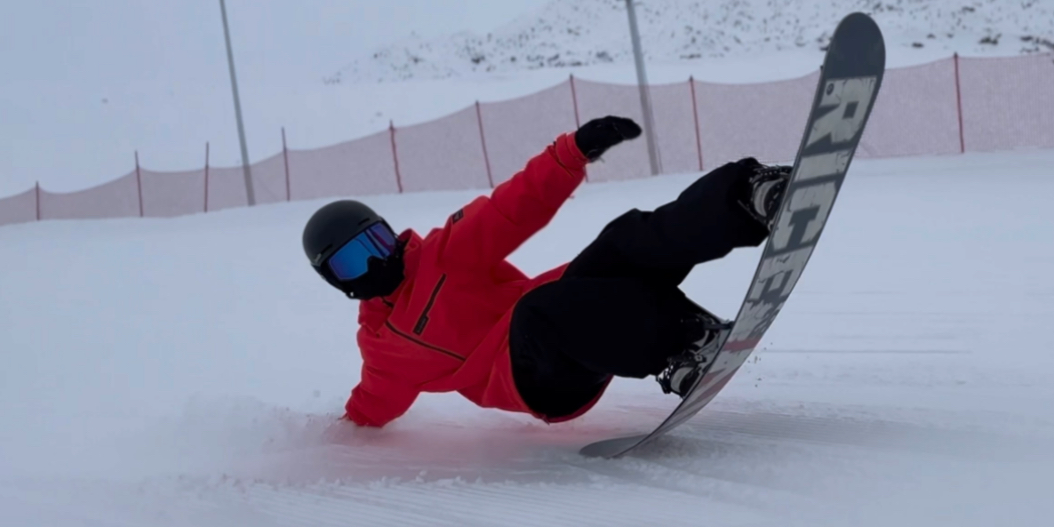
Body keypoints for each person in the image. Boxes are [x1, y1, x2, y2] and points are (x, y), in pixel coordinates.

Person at [301, 116, 791, 428]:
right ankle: (681, 346)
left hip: (572, 315)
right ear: (337, 281)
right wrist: (325, 438)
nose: (374, 262)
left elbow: (510, 208)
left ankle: (747, 199)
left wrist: (571, 152)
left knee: (622, 239)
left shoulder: (442, 256)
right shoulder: (384, 349)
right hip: (538, 380)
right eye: (352, 261)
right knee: (539, 311)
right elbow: (369, 408)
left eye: (376, 242)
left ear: (390, 233)